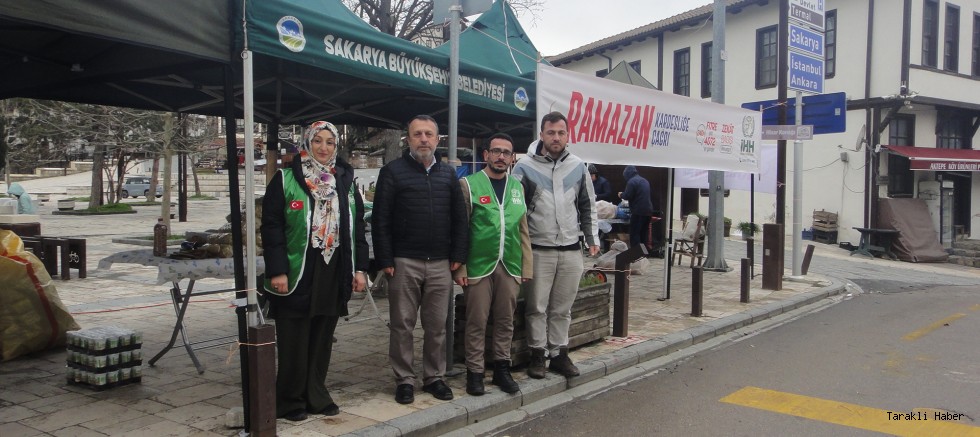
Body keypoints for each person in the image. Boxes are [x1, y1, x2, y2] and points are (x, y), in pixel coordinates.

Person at [261, 121, 369, 422]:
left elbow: (357, 228)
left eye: (330, 142)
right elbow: (272, 229)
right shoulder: (285, 180)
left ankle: (315, 394)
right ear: (306, 144)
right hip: (298, 269)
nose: (323, 148)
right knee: (294, 336)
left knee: (322, 336)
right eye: (318, 141)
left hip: (333, 267)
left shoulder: (344, 181)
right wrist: (277, 271)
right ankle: (289, 399)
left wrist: (360, 269)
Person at [372, 114, 468, 404]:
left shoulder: (448, 175)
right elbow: (380, 219)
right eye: (417, 134)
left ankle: (434, 377)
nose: (423, 139)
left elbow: (460, 219)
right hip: (403, 261)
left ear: (438, 140)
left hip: (441, 263)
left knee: (437, 325)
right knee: (402, 324)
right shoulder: (392, 172)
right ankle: (404, 380)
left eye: (428, 134)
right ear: (408, 139)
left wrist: (458, 255)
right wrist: (385, 258)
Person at [512, 111, 600, 379]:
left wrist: (592, 237)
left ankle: (559, 354)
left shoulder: (578, 166)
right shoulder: (524, 167)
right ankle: (537, 355)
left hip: (572, 250)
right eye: (551, 132)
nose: (556, 137)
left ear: (567, 135)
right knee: (536, 307)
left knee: (563, 308)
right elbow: (516, 210)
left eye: (561, 133)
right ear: (541, 134)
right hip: (539, 249)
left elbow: (587, 205)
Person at [454, 133, 531, 396]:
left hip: (509, 264)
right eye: (496, 151)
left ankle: (501, 369)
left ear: (512, 158)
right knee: (477, 320)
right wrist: (460, 267)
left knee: (505, 320)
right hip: (478, 265)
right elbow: (460, 229)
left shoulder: (518, 187)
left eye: (506, 152)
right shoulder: (468, 184)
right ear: (485, 154)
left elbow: (523, 231)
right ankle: (475, 372)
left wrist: (526, 267)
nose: (501, 156)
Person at [619, 165, 654, 250]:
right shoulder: (645, 180)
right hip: (648, 211)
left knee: (635, 234)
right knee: (643, 234)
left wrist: (621, 195)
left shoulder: (631, 182)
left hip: (638, 212)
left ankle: (635, 256)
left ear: (627, 174)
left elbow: (628, 195)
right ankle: (643, 255)